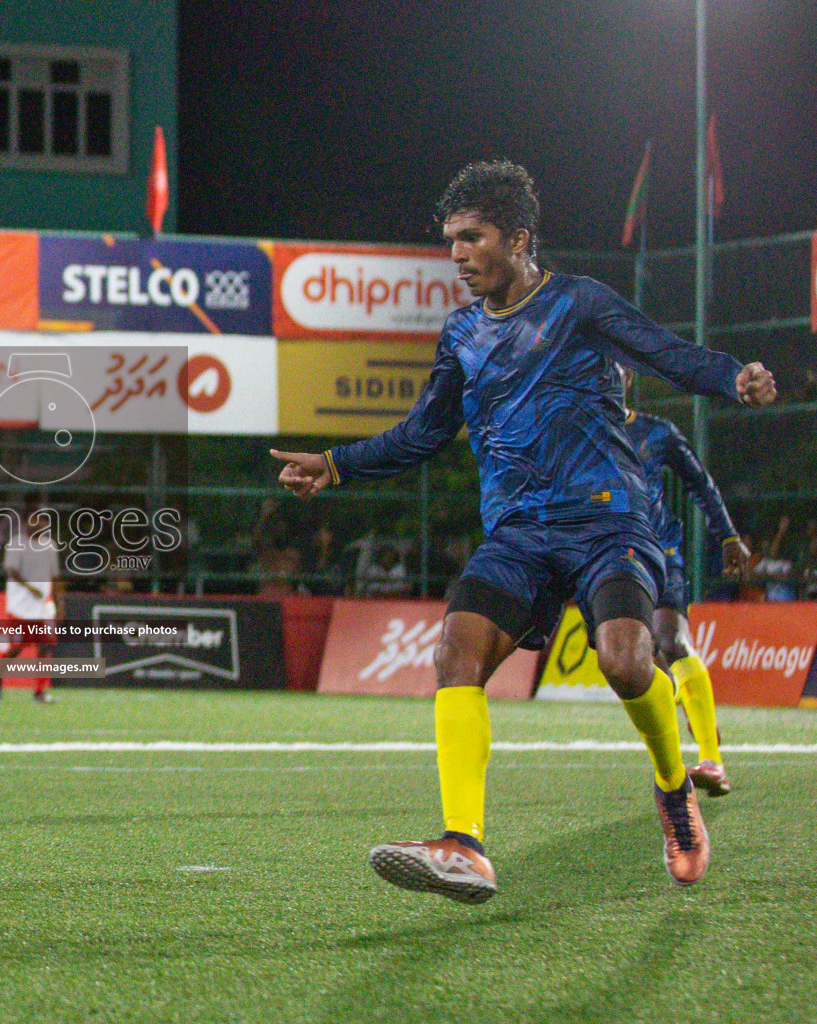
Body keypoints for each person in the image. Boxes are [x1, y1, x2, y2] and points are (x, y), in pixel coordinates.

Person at [271, 160, 776, 903]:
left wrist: (732, 377)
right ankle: (464, 845)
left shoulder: (578, 302)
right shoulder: (462, 334)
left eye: (472, 238)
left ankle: (674, 789)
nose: (457, 254)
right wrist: (336, 465)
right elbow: (422, 433)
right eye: (449, 240)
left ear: (518, 237)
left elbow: (665, 352)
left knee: (628, 664)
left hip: (608, 523)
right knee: (456, 649)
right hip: (518, 535)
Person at [620, 368, 749, 796]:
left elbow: (700, 483)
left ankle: (712, 760)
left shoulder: (657, 433)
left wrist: (727, 534)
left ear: (627, 379)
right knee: (644, 664)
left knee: (672, 640)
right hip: (613, 564)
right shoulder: (582, 436)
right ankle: (685, 708)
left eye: (613, 368)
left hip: (661, 552)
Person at [0, 506, 62, 704]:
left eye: (42, 521)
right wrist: (30, 588)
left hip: (44, 607)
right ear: (27, 523)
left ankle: (39, 692)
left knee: (45, 648)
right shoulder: (16, 544)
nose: (39, 524)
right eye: (35, 520)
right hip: (20, 606)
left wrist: (58, 603)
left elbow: (55, 576)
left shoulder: (50, 546)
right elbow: (11, 571)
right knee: (17, 648)